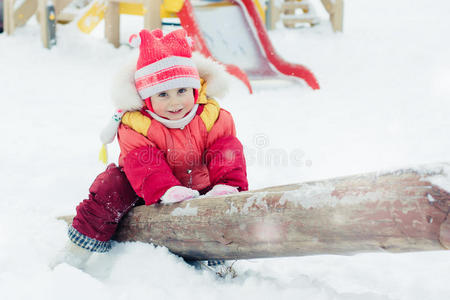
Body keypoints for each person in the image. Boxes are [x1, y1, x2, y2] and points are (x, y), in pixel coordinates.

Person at [51, 28, 248, 270]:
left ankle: (223, 259)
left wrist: (226, 184)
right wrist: (166, 188)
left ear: (195, 88)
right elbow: (142, 162)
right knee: (111, 185)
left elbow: (225, 151)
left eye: (182, 91)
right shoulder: (137, 123)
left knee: (225, 162)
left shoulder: (212, 115)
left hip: (200, 185)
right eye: (163, 94)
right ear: (146, 98)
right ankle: (80, 248)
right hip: (144, 190)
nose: (175, 102)